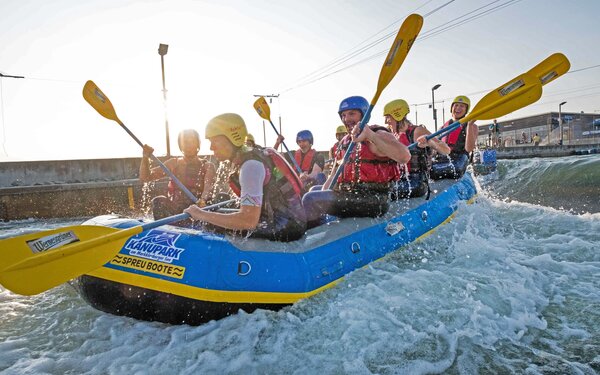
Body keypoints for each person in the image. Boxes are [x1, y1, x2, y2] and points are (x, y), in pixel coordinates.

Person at [184, 113, 306, 242]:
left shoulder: (250, 166)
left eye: (215, 141)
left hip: (287, 227)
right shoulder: (252, 156)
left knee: (210, 224)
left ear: (231, 139)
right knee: (220, 201)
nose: (211, 147)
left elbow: (248, 221)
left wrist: (200, 215)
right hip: (290, 220)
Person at [302, 96, 410, 225]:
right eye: (343, 115)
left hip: (374, 199)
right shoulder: (345, 142)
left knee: (311, 199)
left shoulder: (378, 134)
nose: (346, 119)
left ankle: (314, 238)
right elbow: (332, 177)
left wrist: (371, 135)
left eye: (352, 114)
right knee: (314, 190)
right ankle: (321, 228)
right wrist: (325, 194)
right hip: (352, 194)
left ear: (364, 115)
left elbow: (404, 156)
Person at [140, 129, 216, 220]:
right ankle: (167, 229)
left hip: (198, 209)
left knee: (218, 199)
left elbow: (208, 188)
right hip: (176, 211)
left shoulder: (207, 166)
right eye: (185, 142)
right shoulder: (173, 163)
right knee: (158, 201)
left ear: (197, 144)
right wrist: (145, 157)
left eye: (192, 141)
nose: (189, 145)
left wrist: (202, 200)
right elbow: (146, 177)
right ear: (181, 145)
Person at [383, 99, 450, 198]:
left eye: (388, 117)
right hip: (398, 179)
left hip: (416, 182)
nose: (385, 121)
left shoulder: (417, 131)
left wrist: (430, 142)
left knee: (383, 193)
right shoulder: (391, 134)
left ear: (398, 115)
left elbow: (446, 150)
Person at [430, 96, 478, 179]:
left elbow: (469, 149)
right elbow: (435, 151)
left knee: (452, 168)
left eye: (462, 106)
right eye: (456, 105)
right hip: (443, 160)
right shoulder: (442, 128)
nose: (458, 108)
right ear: (451, 108)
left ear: (466, 110)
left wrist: (469, 124)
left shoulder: (472, 126)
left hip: (459, 161)